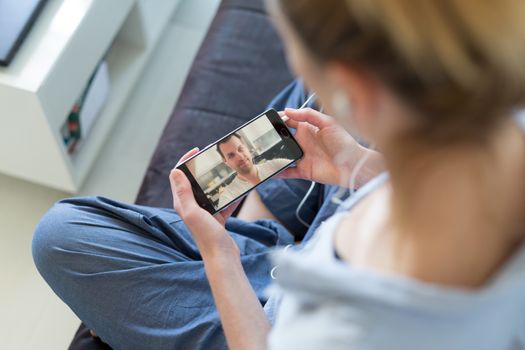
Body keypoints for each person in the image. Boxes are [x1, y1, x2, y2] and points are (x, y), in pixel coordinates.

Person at [215, 133, 292, 208]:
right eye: (231, 155)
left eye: (240, 149)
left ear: (247, 148)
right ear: (226, 162)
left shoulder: (277, 165)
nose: (240, 157)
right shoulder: (228, 196)